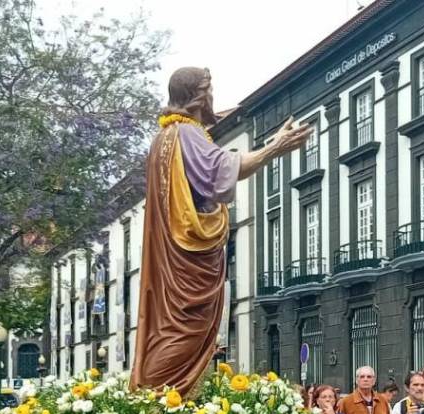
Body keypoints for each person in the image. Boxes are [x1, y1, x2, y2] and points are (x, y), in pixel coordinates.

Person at [131, 67, 312, 392]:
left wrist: (271, 143)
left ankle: (160, 398)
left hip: (180, 256)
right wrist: (274, 148)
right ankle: (157, 399)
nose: (213, 96)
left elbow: (213, 169)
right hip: (188, 258)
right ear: (198, 95)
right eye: (209, 89)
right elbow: (219, 171)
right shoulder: (185, 133)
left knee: (178, 327)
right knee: (184, 329)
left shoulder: (169, 137)